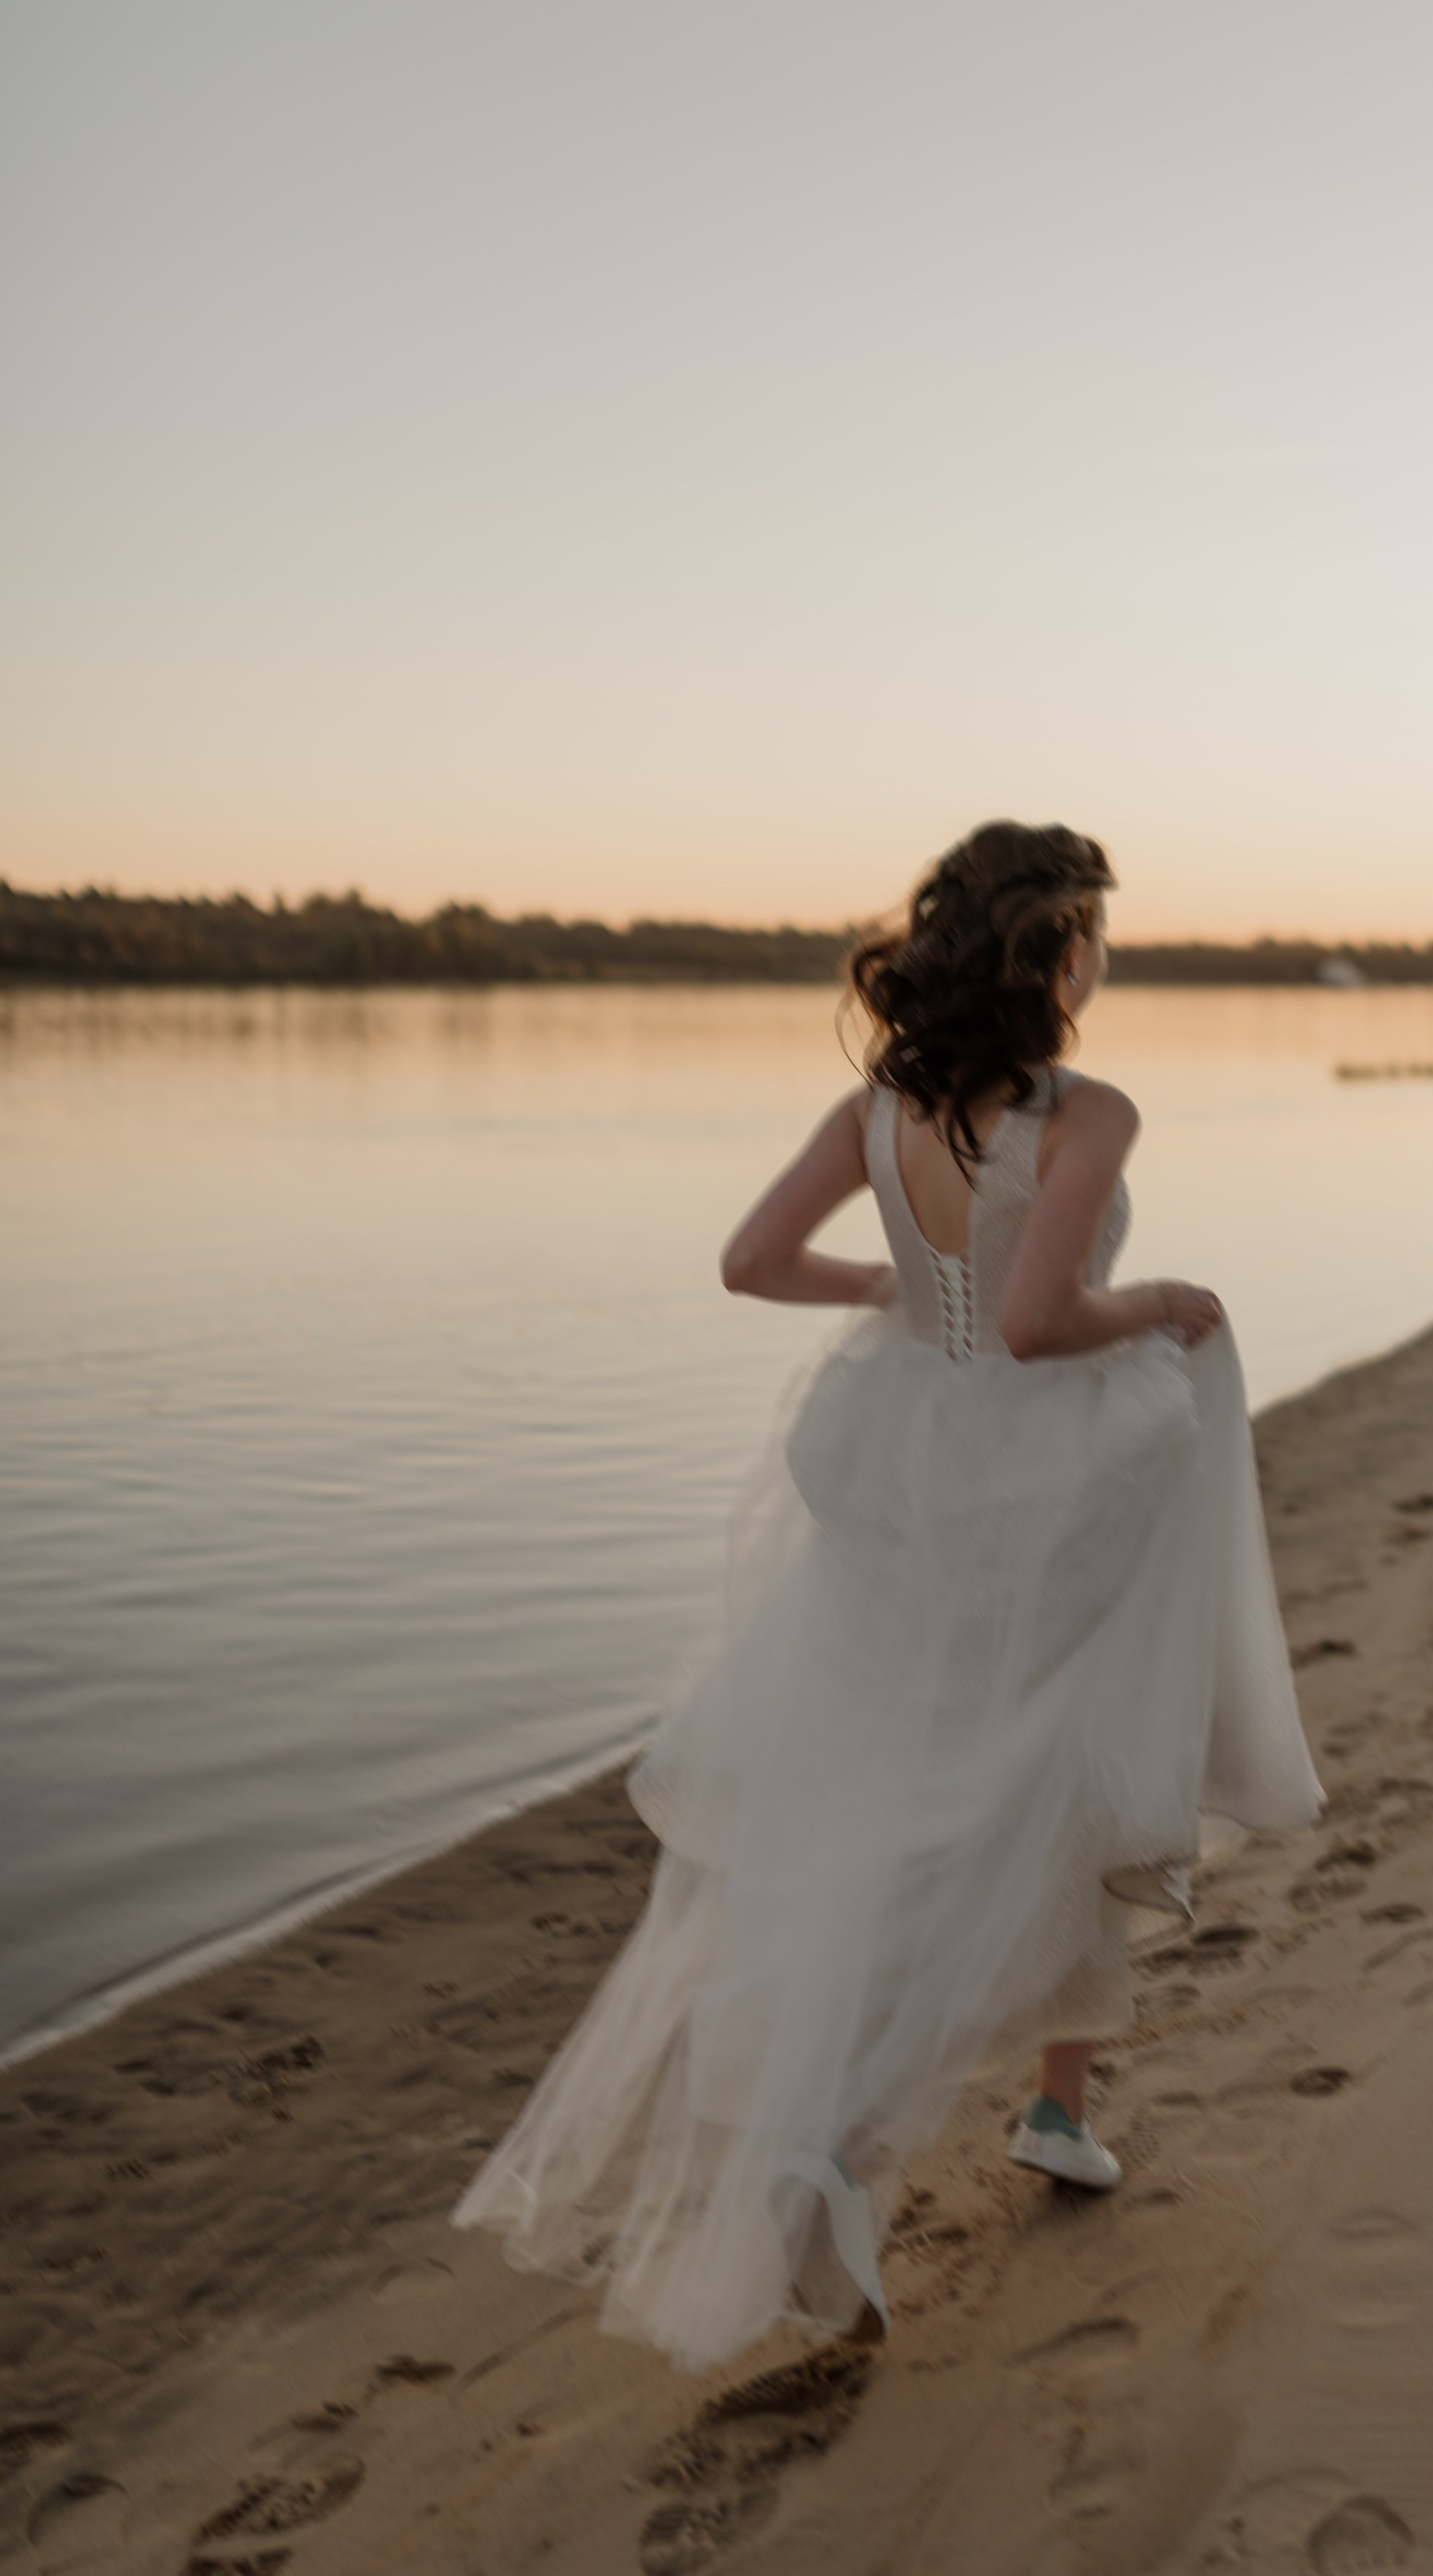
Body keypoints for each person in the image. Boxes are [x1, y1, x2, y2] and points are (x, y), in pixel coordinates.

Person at [455, 821, 1322, 2367]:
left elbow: (747, 1260)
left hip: (898, 1463)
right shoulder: (1087, 1113)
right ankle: (856, 2141)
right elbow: (1044, 1322)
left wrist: (891, 1282)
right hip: (1039, 1484)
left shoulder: (875, 1105)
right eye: (1090, 936)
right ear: (1053, 955)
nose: (1099, 959)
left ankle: (988, 2115)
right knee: (1028, 1793)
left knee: (921, 1786)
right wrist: (1161, 1303)